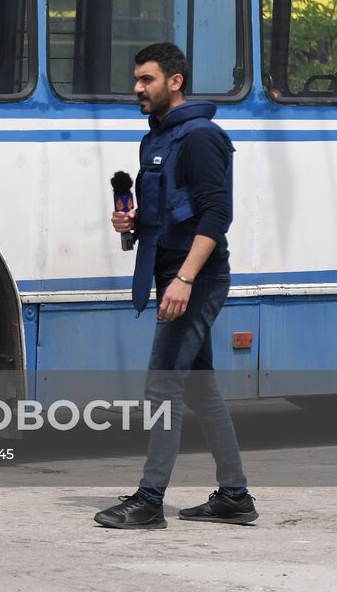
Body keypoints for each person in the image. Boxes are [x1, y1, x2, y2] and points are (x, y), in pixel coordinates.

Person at [94, 43, 257, 530]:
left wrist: (185, 278)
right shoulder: (157, 139)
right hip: (173, 271)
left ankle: (149, 500)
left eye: (147, 79)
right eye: (137, 79)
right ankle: (234, 496)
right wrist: (133, 221)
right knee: (201, 388)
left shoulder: (202, 137)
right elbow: (170, 211)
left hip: (197, 276)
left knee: (163, 383)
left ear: (175, 81)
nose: (137, 88)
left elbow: (216, 216)